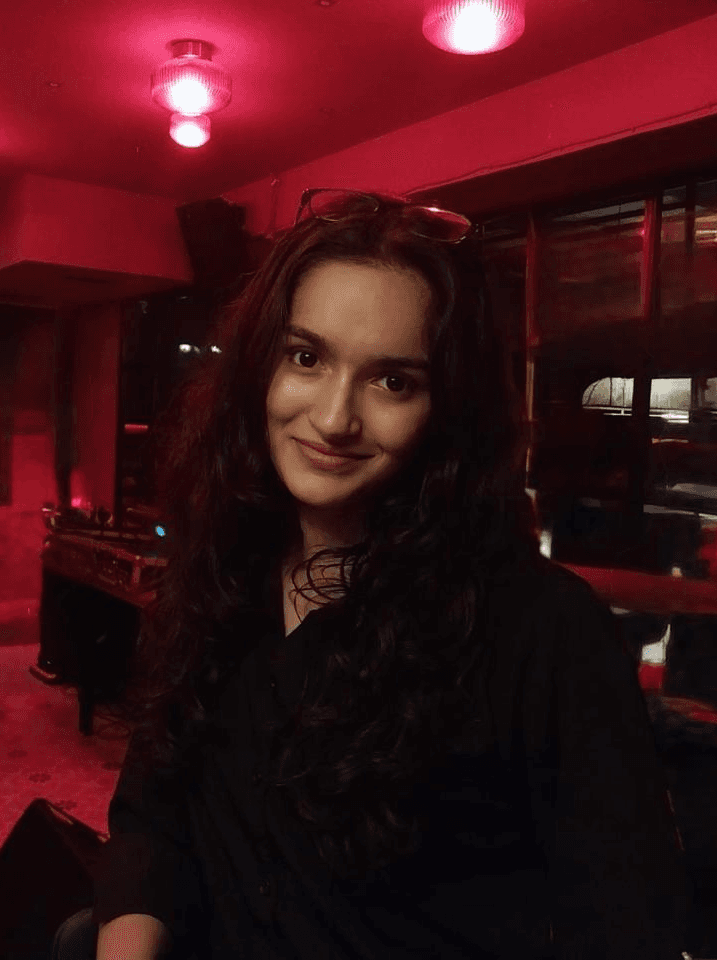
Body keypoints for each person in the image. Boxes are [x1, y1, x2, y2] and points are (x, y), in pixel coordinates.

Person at [85, 189, 691, 960]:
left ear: (447, 409)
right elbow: (153, 809)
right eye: (306, 358)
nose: (333, 418)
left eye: (391, 381)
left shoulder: (542, 631)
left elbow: (625, 925)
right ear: (258, 367)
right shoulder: (222, 566)